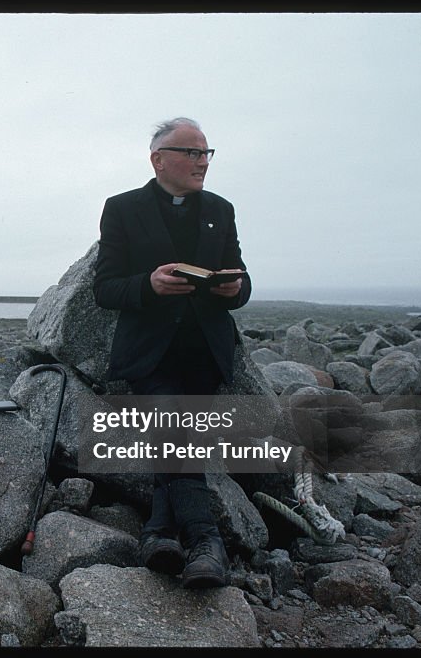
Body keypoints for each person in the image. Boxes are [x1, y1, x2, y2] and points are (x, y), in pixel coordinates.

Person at [92, 117, 251, 589]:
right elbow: (105, 287)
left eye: (206, 153)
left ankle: (161, 533)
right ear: (158, 159)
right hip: (151, 352)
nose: (202, 162)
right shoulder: (121, 208)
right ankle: (206, 541)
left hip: (206, 350)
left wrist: (233, 291)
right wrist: (149, 284)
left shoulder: (220, 209)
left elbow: (240, 280)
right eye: (192, 153)